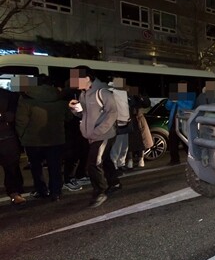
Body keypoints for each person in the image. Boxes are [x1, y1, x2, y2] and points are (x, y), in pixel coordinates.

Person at [15, 74, 71, 201]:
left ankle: (41, 191)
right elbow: (68, 117)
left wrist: (22, 136)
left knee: (36, 168)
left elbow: (21, 121)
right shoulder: (60, 97)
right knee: (55, 167)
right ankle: (55, 192)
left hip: (32, 140)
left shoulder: (26, 98)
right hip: (56, 139)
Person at [68, 66, 118, 208]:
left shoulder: (102, 92)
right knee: (104, 160)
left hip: (103, 135)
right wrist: (74, 109)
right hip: (91, 135)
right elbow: (83, 114)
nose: (74, 82)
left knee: (93, 163)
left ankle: (100, 192)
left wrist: (98, 131)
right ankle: (114, 182)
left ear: (86, 78)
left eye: (76, 78)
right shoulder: (83, 94)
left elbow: (112, 113)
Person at [0, 87, 25, 205]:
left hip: (7, 137)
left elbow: (12, 116)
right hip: (7, 136)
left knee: (11, 166)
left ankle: (14, 192)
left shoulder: (9, 95)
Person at [165, 83, 195, 164]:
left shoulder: (189, 96)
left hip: (183, 123)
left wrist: (178, 101)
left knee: (185, 142)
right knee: (172, 142)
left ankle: (193, 157)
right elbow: (167, 107)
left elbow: (188, 107)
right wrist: (171, 100)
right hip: (173, 122)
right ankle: (174, 160)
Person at [126, 90, 152, 168]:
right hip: (129, 119)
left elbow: (146, 104)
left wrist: (140, 97)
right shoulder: (125, 94)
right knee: (130, 140)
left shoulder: (138, 94)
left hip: (139, 119)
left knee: (141, 140)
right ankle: (130, 160)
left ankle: (141, 159)